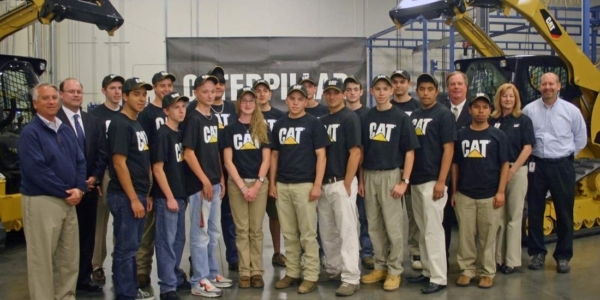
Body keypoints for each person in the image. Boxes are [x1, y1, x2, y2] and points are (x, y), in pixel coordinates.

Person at [18, 83, 87, 300]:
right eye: (45, 98)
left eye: (54, 98)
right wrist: (67, 191)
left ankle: (66, 296)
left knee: (68, 258)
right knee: (42, 259)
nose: (51, 102)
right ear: (35, 103)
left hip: (69, 201)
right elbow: (36, 170)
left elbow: (80, 160)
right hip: (42, 201)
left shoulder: (64, 129)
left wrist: (80, 188)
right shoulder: (30, 133)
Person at [359, 75, 419, 292]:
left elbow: (410, 152)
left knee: (393, 227)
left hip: (391, 175)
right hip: (369, 174)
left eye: (386, 88)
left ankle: (394, 270)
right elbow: (361, 150)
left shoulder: (400, 117)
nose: (382, 92)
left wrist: (404, 181)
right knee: (374, 226)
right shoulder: (366, 117)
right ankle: (380, 265)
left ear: (392, 90)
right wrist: (361, 178)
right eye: (378, 88)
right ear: (372, 91)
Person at [523, 72, 586, 273]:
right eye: (544, 84)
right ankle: (537, 253)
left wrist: (565, 157)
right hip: (536, 166)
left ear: (558, 86)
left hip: (562, 166)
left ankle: (563, 256)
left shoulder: (571, 111)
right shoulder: (529, 110)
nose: (547, 87)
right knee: (534, 210)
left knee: (564, 211)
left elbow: (580, 138)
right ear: (539, 87)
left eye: (551, 84)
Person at [270, 84, 329, 294]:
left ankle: (311, 275)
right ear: (286, 100)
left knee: (307, 233)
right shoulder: (279, 125)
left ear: (306, 101)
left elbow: (321, 155)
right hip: (283, 185)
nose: (295, 102)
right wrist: (272, 183)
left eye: (299, 99)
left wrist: (316, 184)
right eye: (292, 98)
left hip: (305, 185)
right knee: (289, 233)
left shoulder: (314, 123)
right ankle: (293, 272)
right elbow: (274, 156)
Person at [452, 93, 509, 289]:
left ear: (490, 111)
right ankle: (467, 270)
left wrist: (501, 192)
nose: (481, 111)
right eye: (476, 107)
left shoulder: (498, 135)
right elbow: (455, 165)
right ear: (470, 110)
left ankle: (486, 272)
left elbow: (505, 165)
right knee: (465, 236)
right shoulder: (461, 134)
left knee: (488, 237)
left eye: (485, 107)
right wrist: (455, 191)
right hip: (465, 195)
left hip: (490, 195)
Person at [183, 74, 232, 298]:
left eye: (213, 91)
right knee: (200, 234)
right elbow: (189, 153)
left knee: (214, 232)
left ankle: (212, 273)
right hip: (200, 187)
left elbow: (215, 153)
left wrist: (220, 177)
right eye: (205, 91)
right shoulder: (193, 119)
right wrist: (204, 180)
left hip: (215, 184)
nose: (210, 95)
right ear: (196, 93)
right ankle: (199, 279)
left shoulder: (213, 118)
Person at [406, 74, 455, 294]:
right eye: (422, 89)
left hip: (433, 181)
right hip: (416, 180)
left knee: (434, 231)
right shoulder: (414, 115)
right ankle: (427, 271)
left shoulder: (443, 115)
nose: (425, 93)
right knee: (422, 229)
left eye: (430, 89)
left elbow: (449, 149)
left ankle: (439, 277)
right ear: (417, 91)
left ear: (436, 91)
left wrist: (442, 181)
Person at [57, 78, 106, 293]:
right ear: (61, 95)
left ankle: (84, 279)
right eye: (71, 91)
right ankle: (64, 282)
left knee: (87, 235)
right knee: (65, 239)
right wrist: (74, 183)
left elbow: (102, 152)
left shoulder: (92, 120)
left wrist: (94, 177)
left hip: (89, 187)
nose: (76, 95)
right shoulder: (54, 120)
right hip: (65, 190)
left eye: (79, 91)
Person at [106, 77, 154, 300]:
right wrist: (134, 198)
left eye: (144, 94)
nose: (142, 98)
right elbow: (119, 163)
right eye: (136, 94)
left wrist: (145, 194)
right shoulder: (120, 124)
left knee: (132, 247)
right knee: (126, 249)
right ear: (125, 96)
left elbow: (141, 161)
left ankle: (131, 289)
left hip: (138, 194)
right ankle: (126, 294)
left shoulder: (136, 122)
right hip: (125, 197)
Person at [223, 87, 271, 289]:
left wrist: (258, 184)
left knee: (256, 230)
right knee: (242, 230)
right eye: (245, 100)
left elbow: (267, 159)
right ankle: (244, 272)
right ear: (239, 103)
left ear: (256, 103)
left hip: (259, 184)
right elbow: (228, 161)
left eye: (252, 100)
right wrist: (243, 187)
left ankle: (257, 272)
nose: (249, 103)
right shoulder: (229, 129)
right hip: (237, 185)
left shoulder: (263, 128)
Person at [318, 78, 362, 296]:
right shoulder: (322, 119)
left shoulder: (350, 117)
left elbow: (355, 152)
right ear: (324, 95)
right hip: (324, 183)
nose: (332, 96)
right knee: (327, 231)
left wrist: (347, 181)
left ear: (343, 94)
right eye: (328, 93)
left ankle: (351, 276)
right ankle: (334, 268)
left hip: (341, 182)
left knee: (347, 231)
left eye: (336, 92)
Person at [136, 71, 176, 288]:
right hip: (153, 175)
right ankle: (142, 271)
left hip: (173, 178)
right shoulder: (147, 114)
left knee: (171, 233)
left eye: (169, 85)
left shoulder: (179, 112)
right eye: (162, 85)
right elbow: (144, 149)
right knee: (148, 230)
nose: (167, 89)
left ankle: (172, 271)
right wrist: (149, 186)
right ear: (155, 87)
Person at [489, 83, 535, 274]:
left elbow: (527, 148)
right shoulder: (492, 120)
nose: (507, 99)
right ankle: (497, 259)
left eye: (511, 96)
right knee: (498, 217)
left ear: (516, 99)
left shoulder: (523, 120)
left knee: (514, 217)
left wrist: (512, 171)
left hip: (517, 172)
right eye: (504, 96)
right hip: (495, 173)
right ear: (498, 99)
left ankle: (512, 261)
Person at [151, 92, 190, 300]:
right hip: (167, 197)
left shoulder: (179, 133)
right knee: (166, 241)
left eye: (183, 106)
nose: (181, 110)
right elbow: (158, 169)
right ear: (166, 111)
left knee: (179, 239)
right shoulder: (162, 134)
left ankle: (174, 275)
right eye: (176, 107)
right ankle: (167, 287)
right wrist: (169, 197)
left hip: (180, 195)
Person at [90, 74, 124, 284]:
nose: (117, 92)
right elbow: (93, 148)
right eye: (112, 88)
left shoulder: (126, 113)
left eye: (120, 88)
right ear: (104, 91)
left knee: (122, 221)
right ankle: (96, 265)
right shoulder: (95, 115)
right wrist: (95, 177)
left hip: (124, 173)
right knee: (100, 222)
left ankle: (120, 263)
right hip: (105, 172)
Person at [390, 69, 423, 270]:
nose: (398, 85)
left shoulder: (418, 108)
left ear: (409, 84)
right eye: (395, 82)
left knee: (413, 214)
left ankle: (415, 252)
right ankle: (390, 253)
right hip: (392, 168)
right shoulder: (387, 107)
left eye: (402, 81)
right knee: (390, 215)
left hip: (413, 168)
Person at [254, 79, 287, 267]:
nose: (261, 94)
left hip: (276, 172)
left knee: (276, 215)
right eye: (258, 91)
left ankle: (277, 252)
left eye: (265, 90)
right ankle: (253, 256)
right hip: (254, 171)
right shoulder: (249, 115)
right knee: (253, 218)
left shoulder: (280, 116)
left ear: (270, 94)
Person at [343, 76, 373, 270]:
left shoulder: (369, 115)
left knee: (365, 216)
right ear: (344, 93)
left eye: (356, 89)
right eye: (349, 89)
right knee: (344, 219)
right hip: (341, 175)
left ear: (362, 92)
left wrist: (360, 178)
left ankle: (368, 252)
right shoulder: (340, 114)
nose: (353, 92)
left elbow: (363, 150)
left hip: (362, 174)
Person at [441, 71, 472, 258]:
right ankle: (442, 258)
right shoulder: (441, 110)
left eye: (460, 84)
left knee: (467, 222)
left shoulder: (476, 110)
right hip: (444, 173)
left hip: (469, 172)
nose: (456, 87)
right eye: (452, 84)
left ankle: (467, 262)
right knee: (442, 220)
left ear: (466, 87)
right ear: (447, 88)